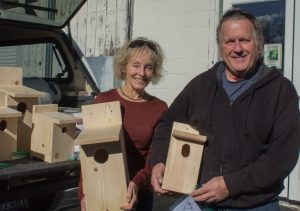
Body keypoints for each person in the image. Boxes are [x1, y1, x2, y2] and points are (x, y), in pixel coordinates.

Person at [150, 9, 300, 210]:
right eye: (229, 41)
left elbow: (282, 157)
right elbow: (167, 123)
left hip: (255, 205)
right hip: (202, 202)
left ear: (258, 44)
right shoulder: (201, 86)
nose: (237, 48)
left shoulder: (280, 90)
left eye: (244, 40)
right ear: (220, 47)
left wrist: (231, 184)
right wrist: (159, 160)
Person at [78, 37, 168, 211]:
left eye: (148, 67)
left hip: (138, 193)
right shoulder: (104, 100)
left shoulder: (159, 108)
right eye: (136, 65)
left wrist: (136, 182)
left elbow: (155, 156)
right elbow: (88, 153)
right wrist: (84, 193)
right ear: (124, 67)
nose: (141, 73)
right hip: (102, 189)